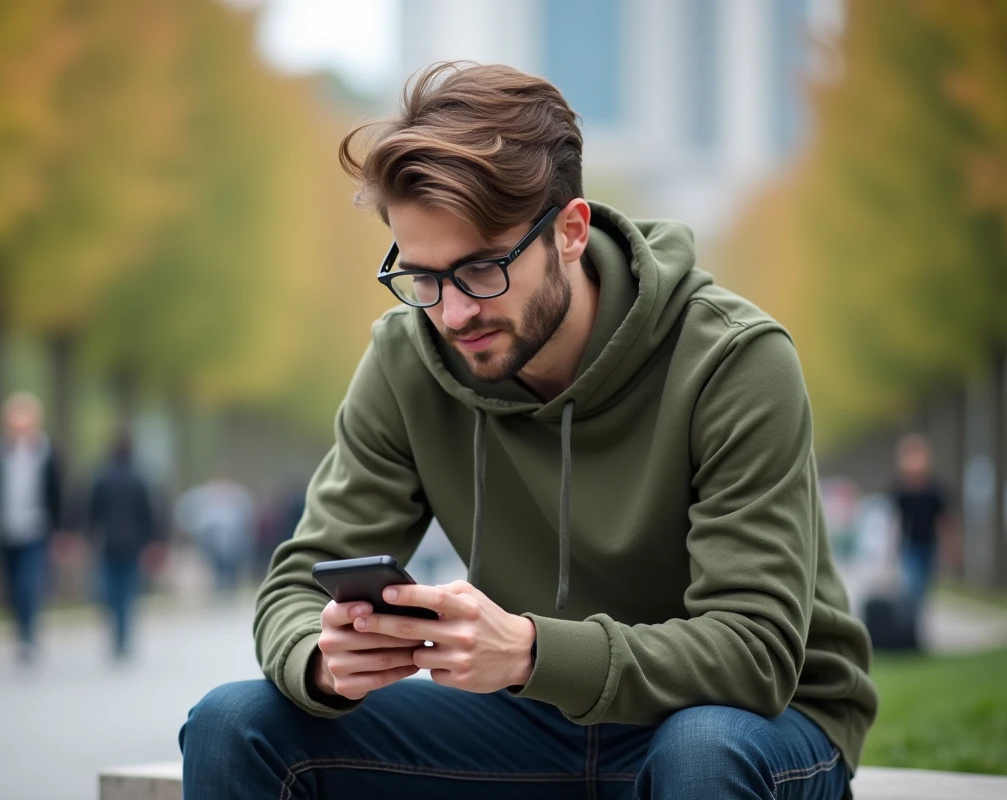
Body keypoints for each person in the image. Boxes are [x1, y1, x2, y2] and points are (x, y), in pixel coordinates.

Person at [179, 63, 878, 799]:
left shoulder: (733, 360)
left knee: (702, 751)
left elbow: (753, 653)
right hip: (527, 721)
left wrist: (532, 652)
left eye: (481, 270)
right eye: (423, 278)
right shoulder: (406, 359)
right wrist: (323, 661)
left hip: (748, 722)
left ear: (571, 232)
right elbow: (296, 581)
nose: (452, 315)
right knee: (233, 723)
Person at [0, 392, 62, 663]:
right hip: (5, 529)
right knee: (10, 586)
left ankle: (29, 634)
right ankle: (20, 630)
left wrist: (60, 529)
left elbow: (56, 492)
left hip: (36, 528)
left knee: (28, 584)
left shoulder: (46, 452)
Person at [87, 429, 161, 660]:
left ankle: (116, 634)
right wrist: (153, 540)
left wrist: (89, 535)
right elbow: (149, 512)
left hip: (108, 542)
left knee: (111, 590)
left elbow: (93, 510)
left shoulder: (102, 476)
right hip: (133, 543)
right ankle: (124, 634)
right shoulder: (140, 478)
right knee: (128, 591)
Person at [890, 433, 951, 629]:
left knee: (922, 590)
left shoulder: (935, 489)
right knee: (910, 588)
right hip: (909, 545)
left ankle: (915, 629)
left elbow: (945, 521)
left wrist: (949, 549)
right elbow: (896, 521)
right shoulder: (901, 490)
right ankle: (909, 627)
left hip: (929, 544)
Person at [176, 475, 256, 598]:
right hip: (212, 537)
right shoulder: (204, 497)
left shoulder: (236, 497)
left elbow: (246, 517)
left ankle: (230, 586)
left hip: (232, 538)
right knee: (216, 564)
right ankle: (221, 586)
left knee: (231, 564)